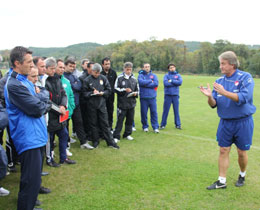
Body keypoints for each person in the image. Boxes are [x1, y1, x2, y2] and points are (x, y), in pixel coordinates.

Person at [200, 51, 256, 190]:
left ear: (232, 64)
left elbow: (244, 98)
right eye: (221, 64)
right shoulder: (219, 82)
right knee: (223, 150)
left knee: (242, 152)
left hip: (243, 122)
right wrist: (209, 96)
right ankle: (221, 181)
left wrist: (224, 92)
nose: (221, 67)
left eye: (223, 63)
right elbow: (214, 104)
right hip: (225, 122)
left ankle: (242, 174)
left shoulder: (245, 77)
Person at [4, 46, 51, 210]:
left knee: (34, 179)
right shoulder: (14, 84)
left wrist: (41, 100)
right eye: (29, 62)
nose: (33, 66)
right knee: (30, 180)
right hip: (28, 138)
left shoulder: (23, 80)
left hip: (36, 136)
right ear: (17, 63)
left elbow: (42, 97)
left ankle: (29, 205)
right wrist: (42, 101)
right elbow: (37, 108)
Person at [44, 57, 76, 166]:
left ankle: (64, 158)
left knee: (64, 135)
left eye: (54, 68)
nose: (54, 71)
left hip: (60, 117)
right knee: (50, 139)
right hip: (51, 116)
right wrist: (59, 109)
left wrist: (62, 105)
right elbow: (46, 100)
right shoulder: (45, 81)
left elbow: (64, 94)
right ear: (47, 68)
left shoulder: (58, 79)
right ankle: (50, 159)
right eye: (53, 68)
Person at [82, 63, 119, 149]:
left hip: (102, 104)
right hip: (91, 105)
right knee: (93, 124)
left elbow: (109, 90)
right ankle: (95, 141)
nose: (97, 74)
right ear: (92, 71)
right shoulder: (87, 80)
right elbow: (84, 93)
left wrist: (103, 93)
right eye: (96, 72)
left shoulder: (103, 78)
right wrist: (91, 93)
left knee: (105, 123)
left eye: (99, 72)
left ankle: (110, 142)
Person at [64, 58, 94, 149]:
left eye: (73, 66)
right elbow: (72, 87)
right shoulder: (63, 77)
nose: (72, 68)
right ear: (65, 66)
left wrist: (74, 85)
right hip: (66, 105)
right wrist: (74, 85)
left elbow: (79, 86)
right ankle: (66, 143)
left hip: (76, 104)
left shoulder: (74, 76)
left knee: (79, 122)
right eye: (70, 66)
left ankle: (83, 142)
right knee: (65, 124)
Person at [113, 62, 138, 142]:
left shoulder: (134, 78)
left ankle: (127, 134)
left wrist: (135, 93)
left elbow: (138, 90)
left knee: (130, 120)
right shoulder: (119, 78)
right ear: (124, 69)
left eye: (130, 69)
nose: (129, 71)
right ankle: (116, 136)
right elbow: (115, 88)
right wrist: (124, 90)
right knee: (120, 120)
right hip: (122, 104)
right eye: (127, 69)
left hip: (131, 103)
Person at [56, 59, 76, 156]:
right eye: (60, 67)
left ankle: (66, 148)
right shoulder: (49, 80)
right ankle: (50, 152)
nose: (62, 69)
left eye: (63, 67)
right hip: (54, 113)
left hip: (66, 113)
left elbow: (71, 95)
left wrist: (71, 108)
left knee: (65, 132)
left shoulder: (66, 81)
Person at [138, 63, 159, 133]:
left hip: (152, 97)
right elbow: (141, 83)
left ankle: (155, 127)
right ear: (143, 68)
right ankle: (145, 126)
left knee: (154, 112)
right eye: (145, 67)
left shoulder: (154, 75)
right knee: (144, 113)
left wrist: (145, 84)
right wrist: (150, 81)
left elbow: (156, 83)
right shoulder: (140, 75)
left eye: (148, 67)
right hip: (143, 97)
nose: (147, 68)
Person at [160, 63, 183, 129]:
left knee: (176, 111)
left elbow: (180, 83)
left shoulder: (178, 75)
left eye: (173, 67)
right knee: (165, 110)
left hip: (175, 95)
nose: (172, 68)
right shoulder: (166, 75)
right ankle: (163, 124)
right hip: (168, 95)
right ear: (168, 69)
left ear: (175, 68)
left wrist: (171, 81)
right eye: (170, 68)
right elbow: (166, 83)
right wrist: (175, 83)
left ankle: (178, 124)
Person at [101, 57, 117, 130]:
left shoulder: (113, 73)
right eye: (106, 64)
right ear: (102, 65)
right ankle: (103, 128)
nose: (107, 65)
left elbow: (115, 84)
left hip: (111, 96)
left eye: (109, 64)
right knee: (103, 113)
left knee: (110, 111)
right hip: (102, 96)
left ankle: (110, 128)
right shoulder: (100, 73)